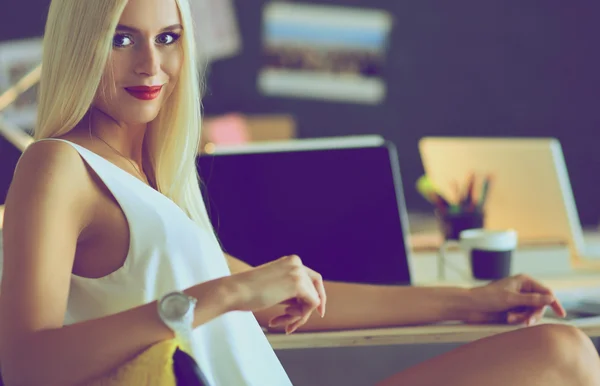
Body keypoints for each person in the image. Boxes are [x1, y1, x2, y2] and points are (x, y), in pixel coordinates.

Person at [0, 0, 598, 385]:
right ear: (82, 45)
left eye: (169, 37)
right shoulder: (58, 165)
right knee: (564, 359)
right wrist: (227, 292)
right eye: (122, 39)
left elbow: (306, 299)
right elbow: (25, 364)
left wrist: (469, 301)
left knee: (560, 353)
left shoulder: (148, 175)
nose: (151, 65)